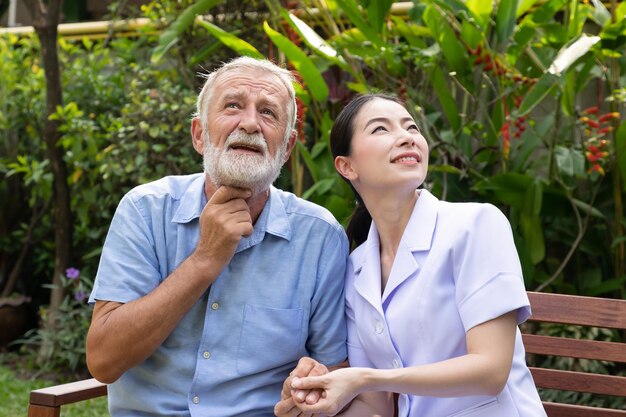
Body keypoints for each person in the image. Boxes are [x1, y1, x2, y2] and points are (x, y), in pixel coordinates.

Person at [85, 57, 349, 417]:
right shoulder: (145, 210)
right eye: (233, 106)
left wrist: (310, 385)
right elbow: (103, 361)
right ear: (199, 135)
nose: (251, 123)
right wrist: (204, 260)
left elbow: (333, 370)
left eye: (269, 113)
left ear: (285, 150)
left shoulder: (320, 237)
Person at [279, 93, 547, 417]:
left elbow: (490, 371)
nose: (406, 137)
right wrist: (312, 404)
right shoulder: (357, 269)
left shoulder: (476, 225)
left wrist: (363, 378)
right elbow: (373, 405)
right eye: (381, 129)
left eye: (412, 128)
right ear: (346, 166)